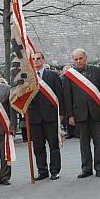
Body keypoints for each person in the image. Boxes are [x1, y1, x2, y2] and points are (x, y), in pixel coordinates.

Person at [63, 48, 100, 178]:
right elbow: (68, 96)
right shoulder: (69, 75)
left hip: (96, 112)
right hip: (79, 114)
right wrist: (70, 115)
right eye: (76, 59)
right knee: (83, 143)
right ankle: (86, 168)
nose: (79, 61)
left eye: (80, 58)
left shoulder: (97, 71)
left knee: (98, 142)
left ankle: (99, 168)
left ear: (86, 57)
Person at [29, 52, 64, 180]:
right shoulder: (28, 77)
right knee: (38, 147)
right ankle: (42, 171)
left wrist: (61, 114)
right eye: (33, 59)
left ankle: (54, 170)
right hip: (34, 117)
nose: (36, 61)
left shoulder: (53, 75)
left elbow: (60, 95)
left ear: (43, 60)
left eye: (38, 58)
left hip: (50, 116)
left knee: (53, 145)